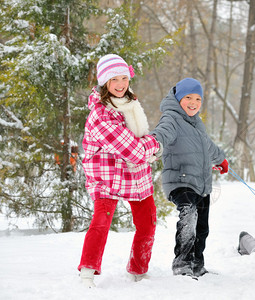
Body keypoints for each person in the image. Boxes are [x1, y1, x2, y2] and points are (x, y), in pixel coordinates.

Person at [78, 54, 161, 287]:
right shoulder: (101, 114)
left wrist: (146, 147)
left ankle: (139, 270)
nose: (121, 84)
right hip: (107, 176)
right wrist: (155, 145)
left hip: (136, 176)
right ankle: (87, 271)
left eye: (124, 77)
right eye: (114, 79)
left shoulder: (130, 103)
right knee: (101, 222)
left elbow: (137, 143)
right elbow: (134, 149)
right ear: (105, 82)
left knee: (147, 222)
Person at [150, 77, 228, 278]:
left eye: (198, 99)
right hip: (180, 180)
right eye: (188, 98)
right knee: (189, 216)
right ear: (178, 99)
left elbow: (207, 146)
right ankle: (182, 264)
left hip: (201, 184)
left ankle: (197, 265)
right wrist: (153, 143)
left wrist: (221, 159)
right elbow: (162, 133)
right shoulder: (171, 118)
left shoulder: (196, 123)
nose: (193, 103)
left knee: (202, 227)